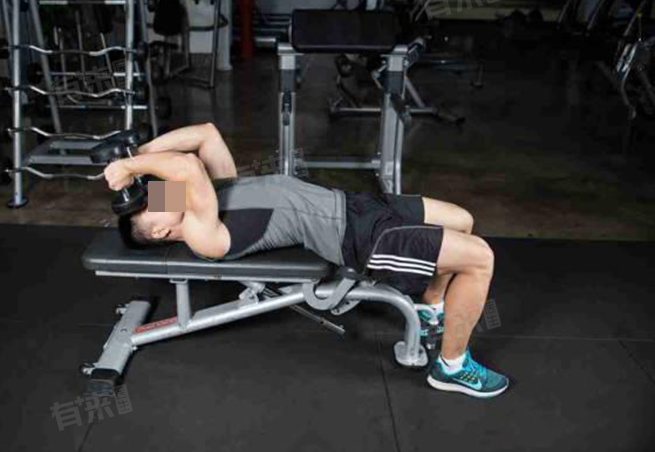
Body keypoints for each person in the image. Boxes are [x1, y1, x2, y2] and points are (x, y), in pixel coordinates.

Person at [104, 122, 509, 398]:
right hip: (360, 236)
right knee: (480, 258)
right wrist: (129, 166)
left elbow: (205, 135)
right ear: (161, 233)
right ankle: (452, 367)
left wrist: (137, 153)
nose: (159, 194)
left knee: (462, 220)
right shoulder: (201, 234)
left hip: (357, 205)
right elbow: (187, 166)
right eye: (152, 204)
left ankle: (432, 308)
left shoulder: (208, 190)